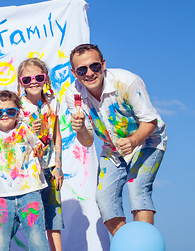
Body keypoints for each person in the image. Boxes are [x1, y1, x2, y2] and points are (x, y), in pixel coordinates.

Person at [66, 44, 167, 236]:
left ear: (103, 64)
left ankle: (144, 247)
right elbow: (87, 141)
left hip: (147, 141)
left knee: (137, 188)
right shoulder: (74, 95)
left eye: (94, 66)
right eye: (82, 69)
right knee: (104, 199)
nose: (89, 73)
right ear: (74, 72)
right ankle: (129, 247)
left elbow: (150, 121)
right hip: (112, 148)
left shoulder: (127, 81)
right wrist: (79, 130)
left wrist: (134, 140)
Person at [0, 90, 50, 251]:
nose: (4, 115)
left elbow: (39, 147)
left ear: (18, 112)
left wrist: (40, 151)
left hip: (30, 189)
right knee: (1, 232)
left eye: (10, 111)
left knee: (34, 228)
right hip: (5, 194)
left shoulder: (24, 128)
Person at [17, 58, 67, 251]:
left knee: (54, 216)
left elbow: (57, 134)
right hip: (29, 169)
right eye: (27, 79)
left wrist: (58, 164)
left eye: (39, 77)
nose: (33, 82)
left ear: (45, 78)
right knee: (35, 217)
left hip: (49, 166)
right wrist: (30, 129)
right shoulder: (17, 107)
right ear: (21, 82)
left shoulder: (53, 103)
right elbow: (14, 139)